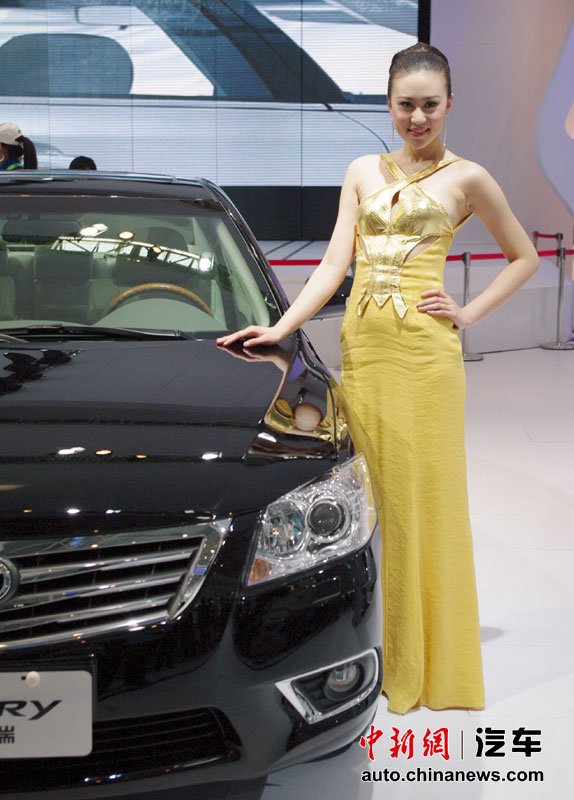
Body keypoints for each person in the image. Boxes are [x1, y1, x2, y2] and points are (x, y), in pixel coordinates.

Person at [217, 43, 539, 714]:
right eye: (405, 105)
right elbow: (335, 264)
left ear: (449, 104)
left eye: (430, 105)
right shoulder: (363, 170)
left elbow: (524, 256)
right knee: (367, 500)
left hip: (425, 358)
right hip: (364, 353)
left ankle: (426, 661)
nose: (417, 117)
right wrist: (280, 328)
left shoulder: (469, 178)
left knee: (424, 501)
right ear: (388, 105)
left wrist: (467, 312)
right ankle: (373, 650)